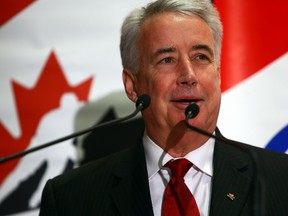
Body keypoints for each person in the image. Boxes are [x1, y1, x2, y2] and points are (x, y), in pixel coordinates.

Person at [39, 0, 288, 215]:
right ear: (132, 85)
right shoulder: (71, 199)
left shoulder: (279, 180)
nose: (189, 75)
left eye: (201, 57)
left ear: (219, 75)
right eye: (167, 60)